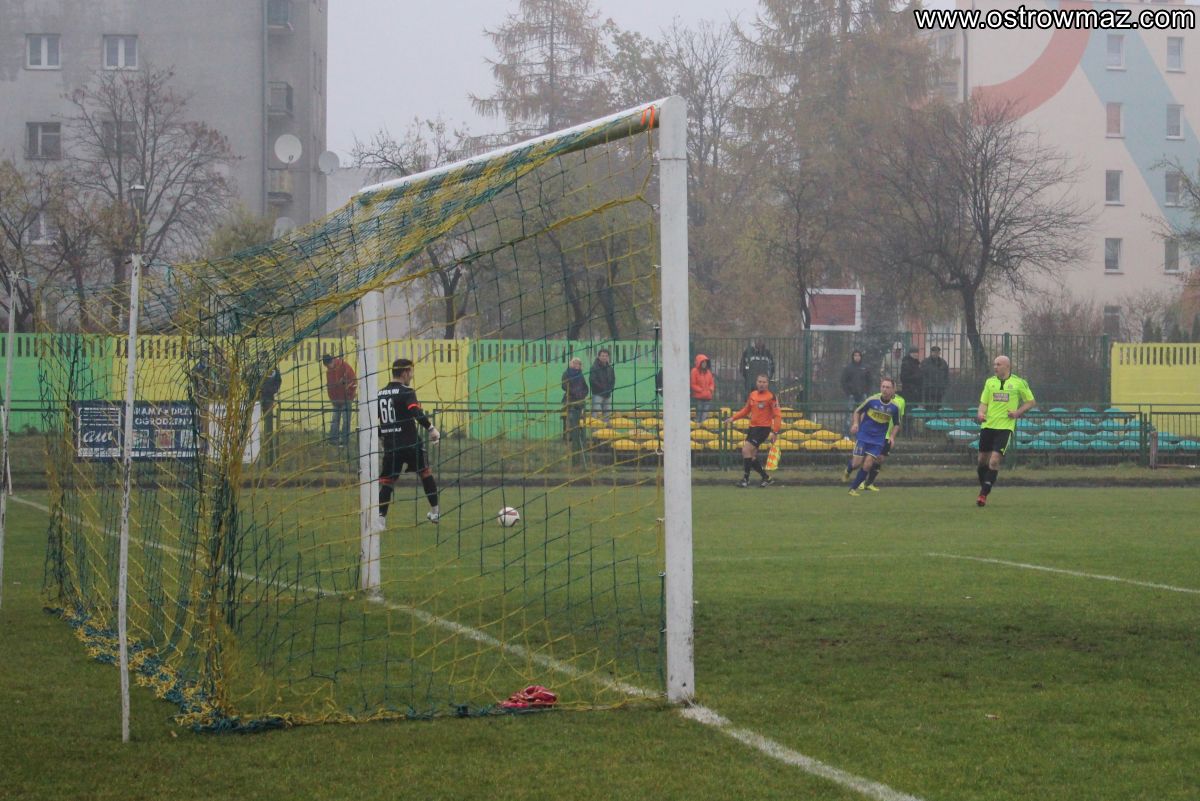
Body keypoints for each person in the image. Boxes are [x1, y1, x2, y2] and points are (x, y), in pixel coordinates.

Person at [373, 358, 441, 530]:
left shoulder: (380, 394)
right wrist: (431, 428)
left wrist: (381, 437)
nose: (412, 375)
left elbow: (375, 421)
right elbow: (414, 411)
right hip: (410, 443)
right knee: (425, 473)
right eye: (411, 372)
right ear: (404, 373)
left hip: (391, 446)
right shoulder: (407, 392)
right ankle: (435, 512)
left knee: (387, 482)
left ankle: (380, 521)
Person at [974, 355, 1036, 507]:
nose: (995, 367)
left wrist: (1017, 412)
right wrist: (980, 413)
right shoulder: (990, 382)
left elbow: (1031, 402)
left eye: (998, 364)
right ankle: (985, 487)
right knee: (982, 461)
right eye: (994, 364)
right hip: (988, 426)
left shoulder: (1019, 383)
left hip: (1005, 427)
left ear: (1007, 366)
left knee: (994, 460)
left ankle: (983, 494)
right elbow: (984, 403)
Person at [846, 378, 902, 496]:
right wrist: (856, 424)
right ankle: (848, 470)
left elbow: (897, 424)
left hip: (878, 439)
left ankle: (853, 489)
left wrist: (892, 437)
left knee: (868, 464)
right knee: (856, 464)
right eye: (883, 387)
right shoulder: (872, 400)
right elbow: (858, 411)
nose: (885, 389)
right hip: (864, 435)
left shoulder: (895, 407)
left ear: (893, 390)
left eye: (888, 387)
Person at [724, 373, 781, 488]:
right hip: (753, 428)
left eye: (764, 382)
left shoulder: (771, 397)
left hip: (763, 429)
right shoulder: (753, 395)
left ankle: (745, 479)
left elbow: (777, 415)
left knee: (745, 450)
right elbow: (746, 410)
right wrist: (733, 418)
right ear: (756, 383)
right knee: (751, 456)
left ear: (767, 384)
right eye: (760, 382)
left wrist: (775, 432)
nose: (761, 384)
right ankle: (766, 478)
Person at [322, 353, 356, 447]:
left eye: (329, 365)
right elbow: (330, 387)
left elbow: (353, 380)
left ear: (332, 361)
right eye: (327, 366)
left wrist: (349, 394)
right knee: (334, 420)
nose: (328, 367)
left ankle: (344, 442)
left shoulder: (344, 366)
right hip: (336, 400)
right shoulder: (329, 371)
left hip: (346, 399)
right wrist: (332, 399)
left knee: (345, 421)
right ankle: (333, 440)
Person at [561, 357, 589, 464]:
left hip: (579, 400)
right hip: (570, 399)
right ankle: (568, 437)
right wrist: (574, 392)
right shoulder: (566, 373)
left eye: (579, 363)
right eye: (575, 363)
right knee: (569, 418)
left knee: (579, 419)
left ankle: (578, 438)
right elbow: (564, 386)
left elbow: (585, 387)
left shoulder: (581, 375)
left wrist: (583, 394)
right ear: (571, 364)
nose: (577, 365)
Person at [839, 350, 871, 436]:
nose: (857, 357)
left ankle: (862, 433)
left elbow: (869, 381)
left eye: (858, 355)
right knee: (849, 414)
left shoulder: (865, 368)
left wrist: (866, 392)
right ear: (853, 357)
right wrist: (848, 393)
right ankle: (847, 434)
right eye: (855, 355)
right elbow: (843, 381)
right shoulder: (848, 368)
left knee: (864, 414)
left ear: (861, 357)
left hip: (862, 394)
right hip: (851, 395)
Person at [259, 365, 282, 463]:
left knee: (268, 427)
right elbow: (246, 377)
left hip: (269, 399)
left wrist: (271, 391)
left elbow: (278, 381)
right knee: (252, 425)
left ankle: (269, 457)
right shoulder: (255, 366)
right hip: (255, 399)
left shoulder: (274, 369)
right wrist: (256, 390)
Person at [588, 349, 616, 422]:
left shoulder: (610, 368)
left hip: (607, 395)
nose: (604, 357)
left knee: (607, 413)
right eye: (603, 356)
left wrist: (610, 389)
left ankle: (605, 428)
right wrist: (603, 389)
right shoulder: (594, 368)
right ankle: (594, 428)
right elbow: (592, 380)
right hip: (597, 394)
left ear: (608, 357)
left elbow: (613, 380)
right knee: (595, 413)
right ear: (599, 356)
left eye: (606, 356)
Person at [689, 354, 715, 423]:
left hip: (707, 397)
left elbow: (711, 383)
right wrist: (701, 390)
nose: (704, 364)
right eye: (703, 362)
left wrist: (711, 389)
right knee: (699, 413)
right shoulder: (694, 371)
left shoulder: (708, 372)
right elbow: (693, 384)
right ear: (699, 363)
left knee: (705, 414)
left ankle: (702, 425)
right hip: (699, 397)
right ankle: (698, 424)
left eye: (705, 362)